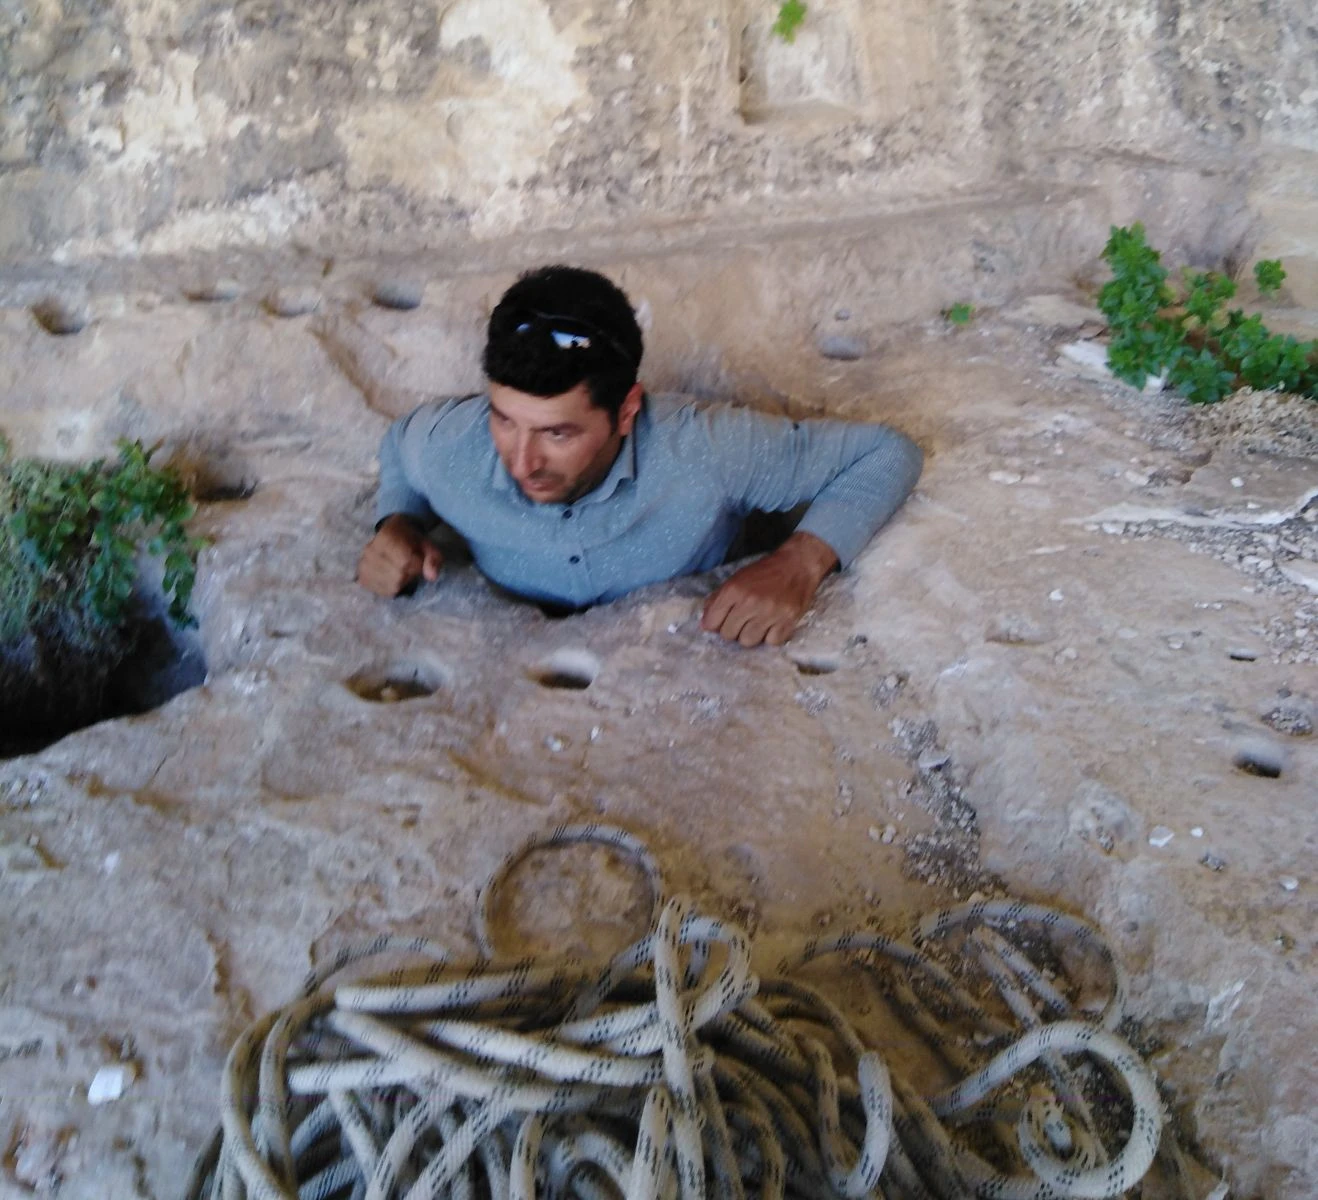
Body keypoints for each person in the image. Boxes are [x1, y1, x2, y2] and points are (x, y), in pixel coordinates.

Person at [357, 266, 922, 647]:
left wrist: (799, 562)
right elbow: (401, 449)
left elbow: (883, 453)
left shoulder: (703, 448)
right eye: (504, 420)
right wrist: (398, 521)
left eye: (557, 434)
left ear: (627, 411)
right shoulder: (449, 444)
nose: (521, 461)